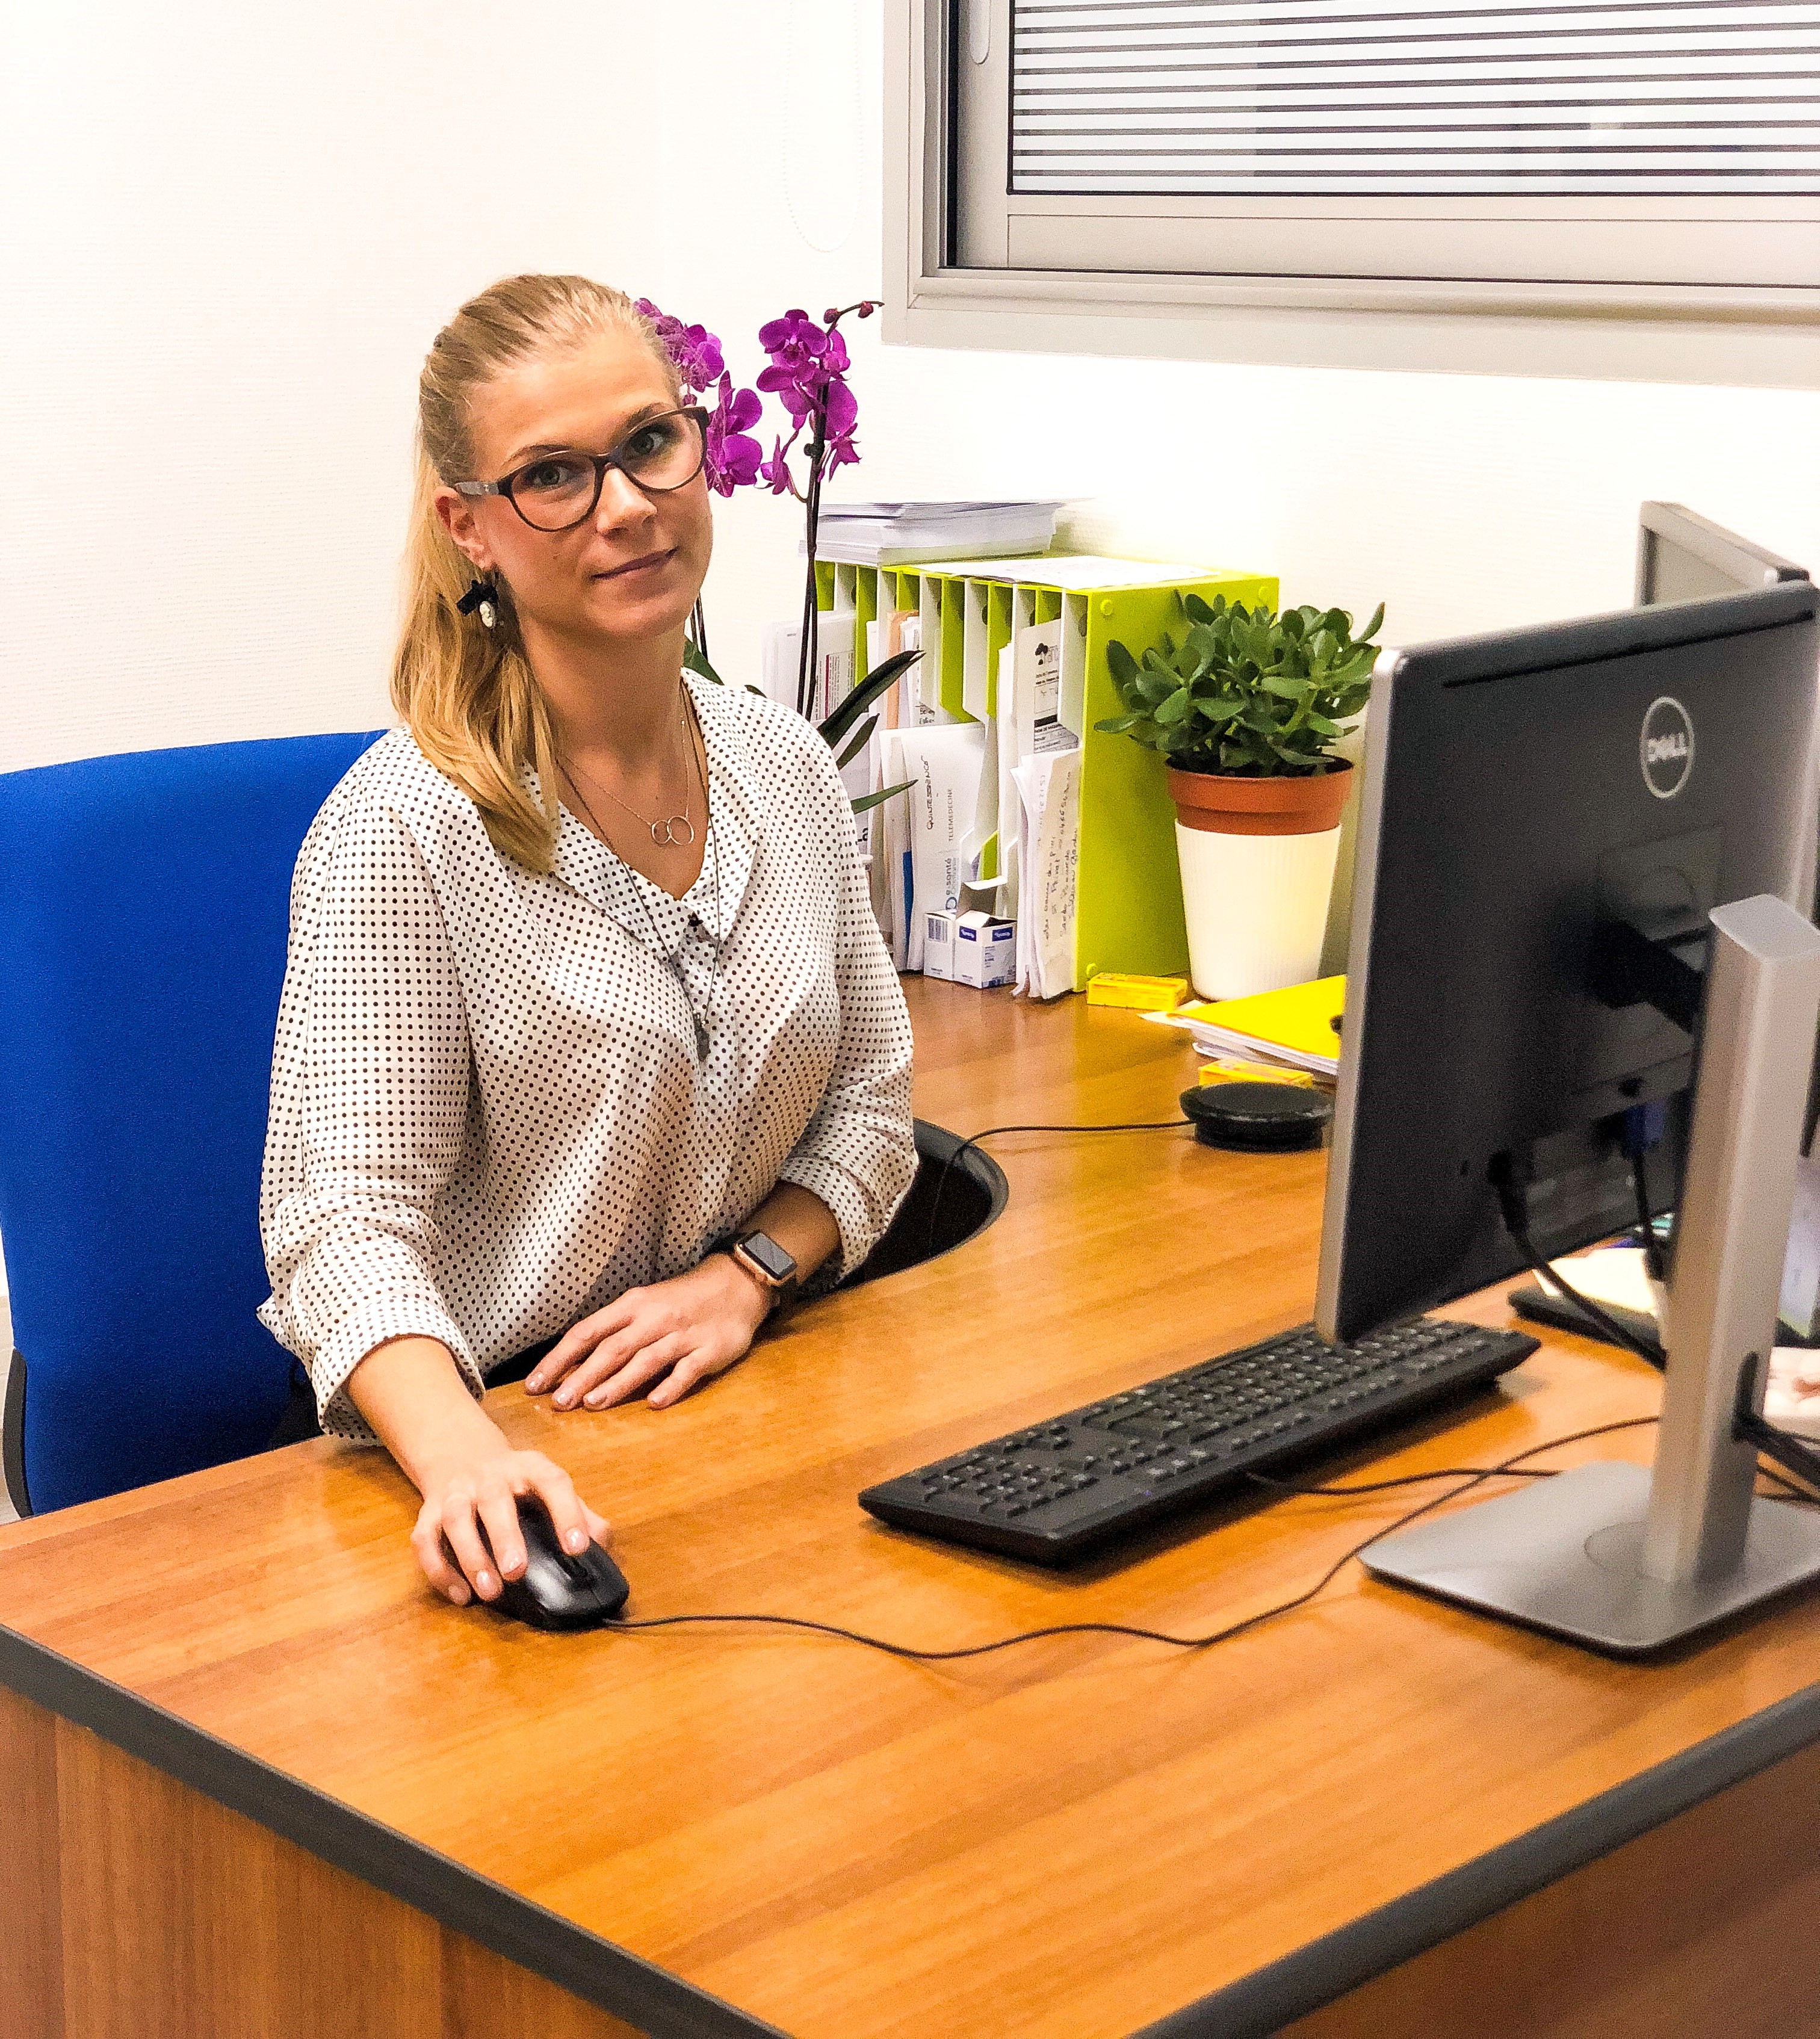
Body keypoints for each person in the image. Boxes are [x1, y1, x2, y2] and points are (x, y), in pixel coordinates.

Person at [258, 274, 916, 1610]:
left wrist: (748, 1276)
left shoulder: (782, 766)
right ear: (471, 529)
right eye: (551, 476)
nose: (625, 507)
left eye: (650, 444)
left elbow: (874, 1103)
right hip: (495, 1446)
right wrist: (469, 1463)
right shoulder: (405, 833)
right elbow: (341, 1223)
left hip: (733, 1413)